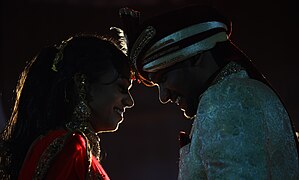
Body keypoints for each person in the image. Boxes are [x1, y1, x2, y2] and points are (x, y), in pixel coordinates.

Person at [119, 5, 299, 179]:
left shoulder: (225, 101)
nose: (163, 97)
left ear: (197, 56)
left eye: (163, 79)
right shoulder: (240, 92)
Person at [0, 33, 134, 179]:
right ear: (83, 84)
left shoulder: (62, 144)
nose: (129, 102)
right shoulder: (72, 147)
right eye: (121, 88)